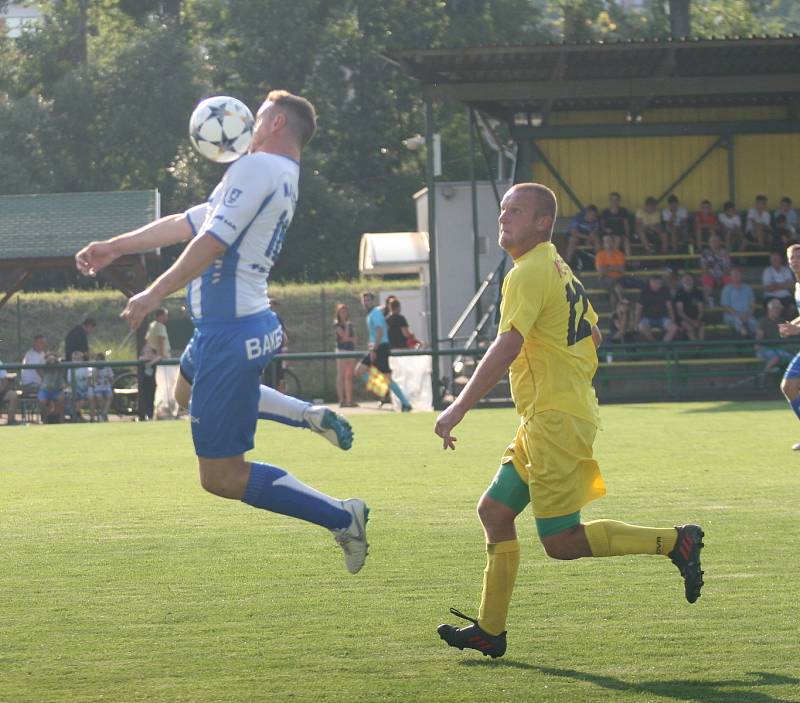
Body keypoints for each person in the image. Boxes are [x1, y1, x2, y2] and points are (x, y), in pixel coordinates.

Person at [75, 90, 368, 574]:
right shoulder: (277, 174)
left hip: (227, 335)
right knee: (185, 390)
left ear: (274, 122)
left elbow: (212, 241)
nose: (250, 123)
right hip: (243, 325)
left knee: (221, 477)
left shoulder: (256, 168)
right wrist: (115, 246)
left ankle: (341, 515)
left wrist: (153, 293)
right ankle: (306, 414)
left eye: (258, 116)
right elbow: (189, 222)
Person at [434, 182, 704, 659]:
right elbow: (594, 334)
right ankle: (489, 630)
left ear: (542, 222)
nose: (503, 218)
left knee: (561, 542)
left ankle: (675, 542)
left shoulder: (529, 271)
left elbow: (507, 346)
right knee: (494, 512)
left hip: (554, 419)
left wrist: (457, 407)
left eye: (515, 211)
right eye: (502, 210)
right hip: (549, 415)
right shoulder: (556, 265)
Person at [355, 291, 412, 412]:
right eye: (364, 300)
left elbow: (380, 331)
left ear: (372, 301)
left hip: (380, 348)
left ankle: (387, 393)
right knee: (386, 379)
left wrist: (374, 349)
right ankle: (404, 403)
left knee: (359, 371)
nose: (366, 302)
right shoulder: (372, 313)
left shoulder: (375, 313)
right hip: (379, 347)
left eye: (368, 300)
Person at [777, 243, 800, 450]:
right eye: (792, 257)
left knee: (790, 386)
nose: (796, 261)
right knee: (789, 386)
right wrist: (792, 325)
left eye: (799, 257)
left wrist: (796, 330)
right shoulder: (797, 286)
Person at [145, 308, 179, 419]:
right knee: (168, 388)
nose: (167, 318)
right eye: (165, 315)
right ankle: (167, 412)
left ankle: (160, 412)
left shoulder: (152, 325)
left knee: (160, 388)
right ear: (160, 316)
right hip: (163, 362)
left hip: (156, 361)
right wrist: (161, 355)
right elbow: (161, 343)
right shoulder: (160, 326)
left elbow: (148, 341)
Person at [595, 233, 640, 307]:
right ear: (603, 243)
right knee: (616, 285)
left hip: (619, 278)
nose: (608, 243)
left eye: (609, 241)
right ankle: (622, 300)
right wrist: (615, 268)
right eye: (606, 241)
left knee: (614, 292)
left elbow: (622, 269)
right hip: (605, 279)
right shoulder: (600, 255)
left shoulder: (619, 254)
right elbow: (601, 271)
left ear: (613, 242)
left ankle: (616, 312)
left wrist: (608, 268)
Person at [635, 276, 679, 342]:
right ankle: (654, 342)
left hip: (662, 318)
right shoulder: (644, 292)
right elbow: (638, 309)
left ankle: (661, 348)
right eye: (654, 282)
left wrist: (673, 321)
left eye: (658, 283)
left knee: (674, 328)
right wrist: (636, 324)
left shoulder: (665, 291)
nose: (656, 284)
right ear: (650, 283)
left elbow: (670, 308)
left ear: (661, 283)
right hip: (647, 318)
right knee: (641, 327)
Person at [756, 299, 793, 373]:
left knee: (793, 359)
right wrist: (758, 344)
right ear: (770, 309)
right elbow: (759, 336)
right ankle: (764, 374)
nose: (777, 311)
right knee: (775, 358)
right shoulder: (763, 321)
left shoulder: (781, 321)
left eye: (779, 309)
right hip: (765, 348)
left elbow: (785, 336)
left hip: (779, 349)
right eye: (775, 308)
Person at [721, 268, 758, 338]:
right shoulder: (727, 289)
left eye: (738, 274)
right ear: (730, 277)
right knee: (738, 322)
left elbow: (753, 305)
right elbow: (725, 307)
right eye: (734, 275)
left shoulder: (748, 288)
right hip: (732, 316)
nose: (736, 276)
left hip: (747, 314)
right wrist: (738, 315)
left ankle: (757, 343)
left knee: (755, 323)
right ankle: (745, 340)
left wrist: (748, 314)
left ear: (741, 276)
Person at [334, 303, 357, 408]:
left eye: (345, 311)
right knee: (341, 375)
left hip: (351, 351)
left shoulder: (350, 324)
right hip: (341, 351)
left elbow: (354, 339)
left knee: (349, 376)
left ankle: (349, 400)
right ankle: (341, 400)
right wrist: (347, 326)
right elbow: (345, 337)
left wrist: (349, 338)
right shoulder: (337, 324)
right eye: (341, 312)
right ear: (338, 313)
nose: (343, 313)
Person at [700, 233, 732, 306]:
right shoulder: (705, 253)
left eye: (716, 241)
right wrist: (714, 278)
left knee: (729, 280)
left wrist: (720, 278)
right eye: (712, 241)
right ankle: (709, 302)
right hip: (710, 275)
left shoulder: (725, 252)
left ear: (720, 242)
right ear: (709, 243)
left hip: (723, 274)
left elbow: (727, 268)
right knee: (706, 279)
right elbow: (704, 268)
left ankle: (728, 302)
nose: (714, 243)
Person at [673, 273, 706, 341]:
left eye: (690, 279)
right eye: (686, 279)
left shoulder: (698, 292)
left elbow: (701, 309)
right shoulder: (679, 293)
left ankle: (700, 345)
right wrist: (692, 322)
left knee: (702, 325)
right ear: (682, 281)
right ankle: (695, 346)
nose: (688, 281)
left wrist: (698, 320)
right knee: (689, 327)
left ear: (693, 280)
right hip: (683, 318)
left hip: (695, 317)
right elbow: (680, 312)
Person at [762, 251, 794, 315]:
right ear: (770, 260)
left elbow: (791, 285)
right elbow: (768, 288)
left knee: (792, 307)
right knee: (774, 307)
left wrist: (775, 284)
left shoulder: (786, 270)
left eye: (777, 259)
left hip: (786, 296)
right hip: (771, 296)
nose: (775, 261)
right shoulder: (767, 271)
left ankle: (788, 323)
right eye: (774, 259)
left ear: (781, 260)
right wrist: (784, 284)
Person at [600, 191, 632, 256]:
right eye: (612, 199)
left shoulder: (623, 211)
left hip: (621, 234)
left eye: (616, 199)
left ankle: (629, 261)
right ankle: (613, 259)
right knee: (616, 239)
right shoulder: (605, 212)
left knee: (625, 240)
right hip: (609, 235)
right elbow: (602, 226)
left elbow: (626, 225)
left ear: (619, 201)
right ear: (610, 201)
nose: (614, 201)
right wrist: (605, 229)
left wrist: (628, 235)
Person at [38, 352, 65, 423]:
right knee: (42, 401)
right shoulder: (44, 365)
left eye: (53, 357)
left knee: (61, 399)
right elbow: (38, 368)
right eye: (49, 358)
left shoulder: (60, 365)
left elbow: (62, 362)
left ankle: (59, 420)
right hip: (45, 390)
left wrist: (56, 360)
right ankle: (45, 420)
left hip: (58, 390)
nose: (51, 359)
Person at [67, 350, 92, 422]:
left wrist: (86, 388)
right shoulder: (70, 369)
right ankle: (77, 416)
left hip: (85, 390)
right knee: (75, 397)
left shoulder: (85, 368)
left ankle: (77, 416)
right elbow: (70, 383)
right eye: (74, 359)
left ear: (82, 359)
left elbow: (88, 381)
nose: (76, 361)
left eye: (78, 359)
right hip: (75, 390)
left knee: (87, 396)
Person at [92, 353, 114, 422]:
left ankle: (104, 413)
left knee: (109, 396)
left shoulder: (108, 367)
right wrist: (97, 372)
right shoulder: (94, 368)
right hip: (98, 388)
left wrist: (108, 377)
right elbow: (94, 380)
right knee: (99, 397)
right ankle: (103, 415)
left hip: (107, 387)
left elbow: (112, 380)